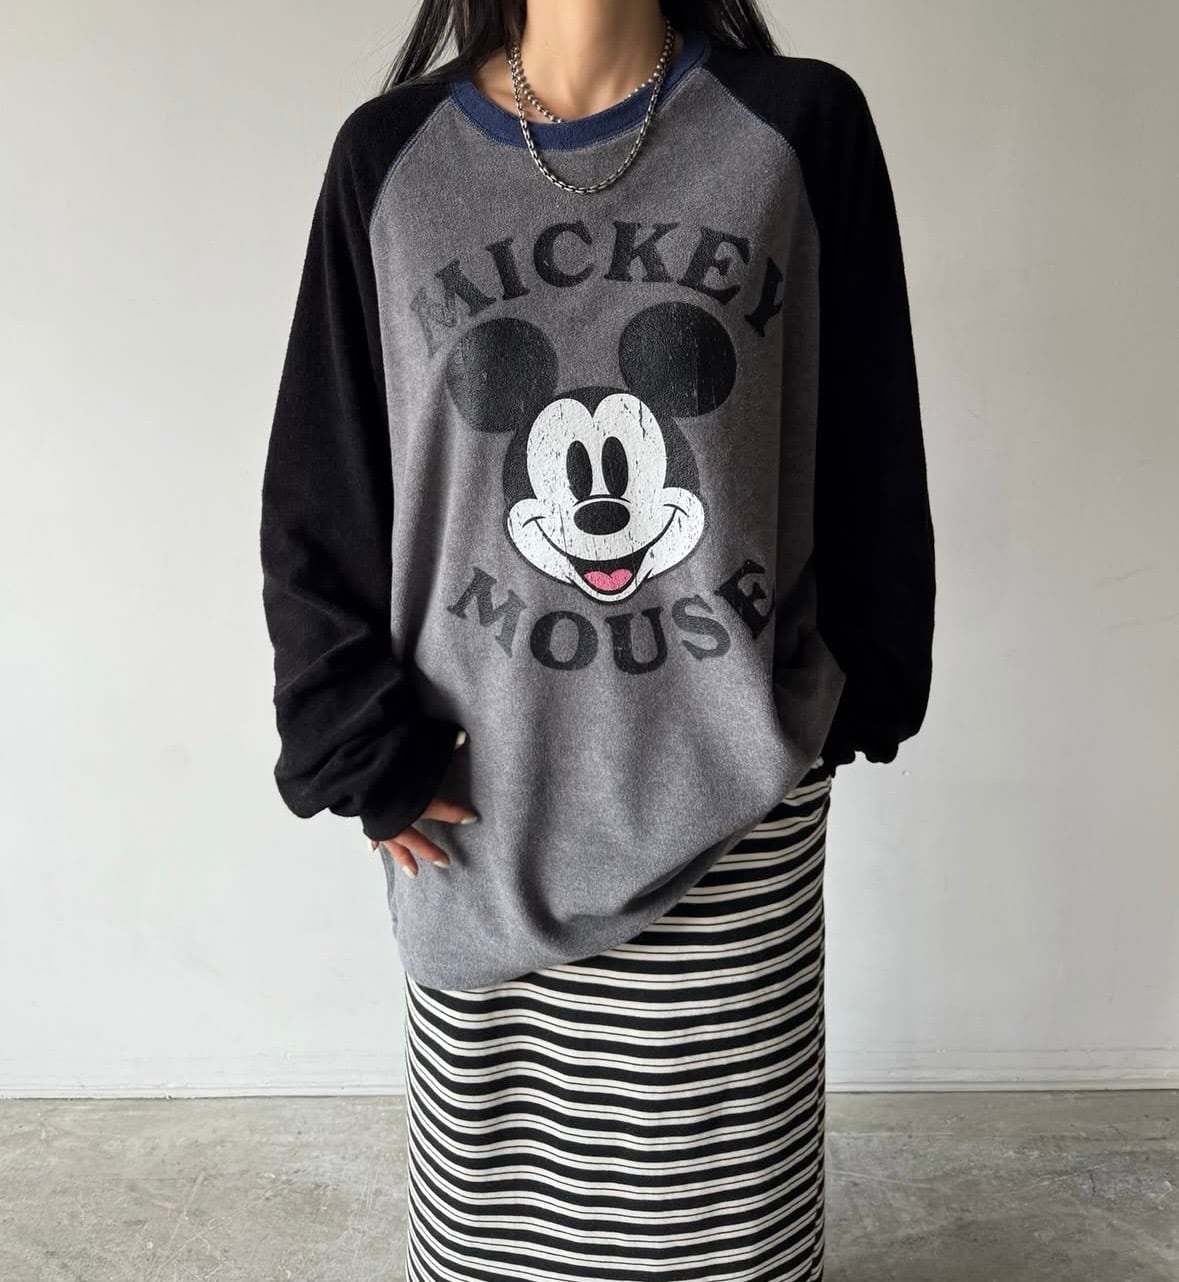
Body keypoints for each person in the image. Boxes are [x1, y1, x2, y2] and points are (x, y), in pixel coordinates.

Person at [259, 1, 936, 1277]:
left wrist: (850, 692)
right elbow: (325, 481)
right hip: (479, 808)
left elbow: (867, 442)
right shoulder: (389, 161)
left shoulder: (798, 128)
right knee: (500, 1237)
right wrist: (356, 741)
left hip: (735, 807)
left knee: (728, 1237)